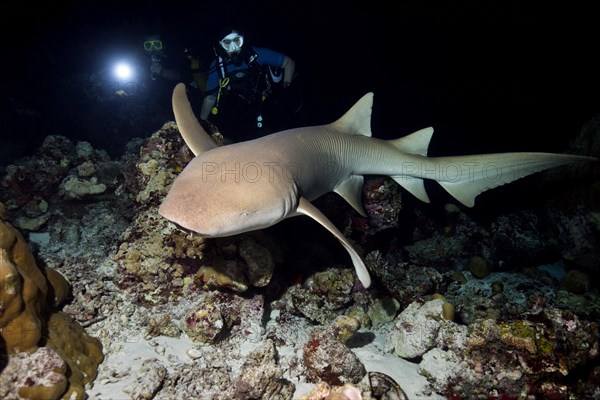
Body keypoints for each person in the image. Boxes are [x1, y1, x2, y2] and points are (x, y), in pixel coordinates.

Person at [199, 27, 297, 140]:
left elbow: (288, 63)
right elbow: (210, 98)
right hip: (234, 114)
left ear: (243, 39)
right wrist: (202, 123)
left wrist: (285, 87)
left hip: (262, 107)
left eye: (237, 40)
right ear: (221, 45)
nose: (234, 48)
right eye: (227, 42)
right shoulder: (217, 66)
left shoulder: (258, 54)